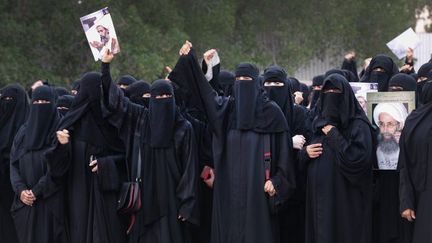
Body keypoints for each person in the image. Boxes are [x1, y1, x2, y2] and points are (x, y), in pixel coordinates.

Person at [170, 41, 295, 243]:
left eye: (247, 79)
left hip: (258, 198)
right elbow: (205, 95)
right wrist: (191, 60)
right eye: (238, 79)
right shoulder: (227, 111)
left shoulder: (272, 114)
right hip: (228, 195)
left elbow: (286, 162)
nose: (242, 83)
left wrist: (276, 182)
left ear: (256, 83)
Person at [94, 49, 199, 243]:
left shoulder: (183, 128)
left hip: (171, 202)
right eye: (157, 98)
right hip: (144, 202)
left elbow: (189, 168)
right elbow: (117, 101)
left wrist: (187, 203)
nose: (161, 102)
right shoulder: (141, 119)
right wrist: (105, 67)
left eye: (166, 98)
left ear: (173, 99)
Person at [48, 71, 128, 243]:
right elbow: (55, 170)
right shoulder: (69, 123)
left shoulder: (111, 123)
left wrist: (106, 164)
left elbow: (125, 156)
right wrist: (62, 146)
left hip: (107, 195)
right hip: (77, 192)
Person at [300, 73, 374, 243]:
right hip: (318, 201)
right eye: (327, 91)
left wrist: (334, 135)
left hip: (344, 201)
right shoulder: (317, 122)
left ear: (346, 94)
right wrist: (305, 153)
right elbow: (300, 159)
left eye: (336, 91)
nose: (331, 95)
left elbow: (359, 160)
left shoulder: (357, 125)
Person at [10, 85, 68, 243]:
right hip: (26, 203)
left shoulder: (60, 131)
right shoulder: (23, 132)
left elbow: (58, 167)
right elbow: (13, 163)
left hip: (50, 202)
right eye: (37, 102)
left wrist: (36, 191)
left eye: (45, 102)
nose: (40, 106)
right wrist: (21, 190)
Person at [399, 79, 432, 243]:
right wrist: (406, 202)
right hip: (422, 199)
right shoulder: (414, 121)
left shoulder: (414, 121)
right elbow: (404, 164)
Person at [0, 84, 28, 243]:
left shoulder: (28, 131)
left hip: (21, 193)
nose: (6, 104)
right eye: (4, 99)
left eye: (11, 100)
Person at [373, 103, 408, 170]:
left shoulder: (408, 146)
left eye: (390, 124)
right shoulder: (374, 147)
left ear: (399, 125)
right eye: (381, 124)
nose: (385, 129)